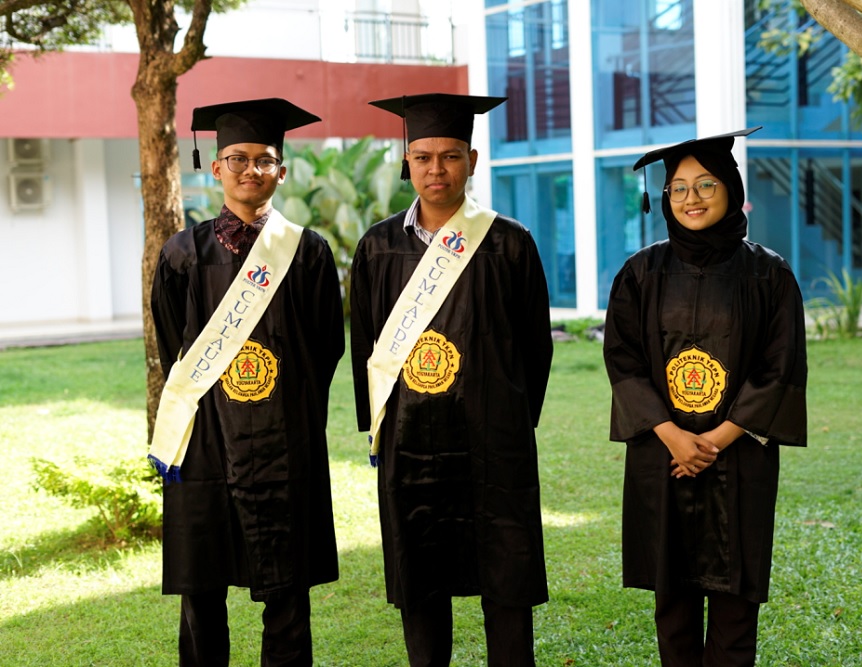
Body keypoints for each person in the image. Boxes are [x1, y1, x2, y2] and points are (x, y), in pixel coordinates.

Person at [350, 92, 553, 666]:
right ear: (406, 160)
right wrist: (379, 432)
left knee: (505, 578)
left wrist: (511, 419)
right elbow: (364, 345)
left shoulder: (509, 242)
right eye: (423, 157)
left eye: (449, 156)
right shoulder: (377, 248)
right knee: (422, 580)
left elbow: (535, 346)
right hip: (410, 441)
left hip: (494, 441)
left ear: (472, 159)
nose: (435, 169)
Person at [602, 127, 808, 666]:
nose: (690, 198)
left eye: (705, 185)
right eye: (678, 188)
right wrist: (673, 436)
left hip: (740, 456)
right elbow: (622, 360)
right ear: (665, 198)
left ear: (732, 189)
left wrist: (713, 441)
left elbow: (779, 366)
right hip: (662, 455)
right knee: (672, 604)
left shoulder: (769, 274)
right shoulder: (640, 273)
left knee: (736, 605)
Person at [149, 98, 344, 666]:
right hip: (206, 437)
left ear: (281, 171)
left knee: (286, 588)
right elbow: (172, 347)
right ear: (215, 168)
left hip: (285, 441)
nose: (250, 170)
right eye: (237, 158)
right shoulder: (183, 253)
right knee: (201, 586)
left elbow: (325, 348)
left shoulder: (306, 252)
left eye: (264, 160)